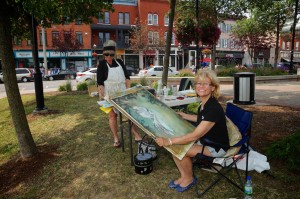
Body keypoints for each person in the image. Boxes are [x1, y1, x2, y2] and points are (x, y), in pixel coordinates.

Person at [155, 70, 229, 192]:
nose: (200, 86)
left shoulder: (213, 109)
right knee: (176, 149)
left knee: (179, 150)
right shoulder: (205, 103)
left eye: (205, 84)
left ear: (213, 88)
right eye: (198, 83)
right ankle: (184, 176)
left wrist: (168, 141)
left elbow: (195, 135)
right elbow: (202, 119)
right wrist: (184, 115)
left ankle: (189, 179)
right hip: (206, 141)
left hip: (216, 147)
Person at [97, 40, 142, 148]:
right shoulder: (102, 65)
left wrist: (128, 91)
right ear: (103, 54)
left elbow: (127, 78)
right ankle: (116, 138)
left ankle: (136, 134)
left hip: (122, 92)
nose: (108, 57)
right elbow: (100, 83)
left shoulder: (120, 62)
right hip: (110, 94)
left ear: (114, 54)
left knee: (129, 114)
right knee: (113, 115)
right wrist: (102, 93)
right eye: (106, 54)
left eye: (111, 55)